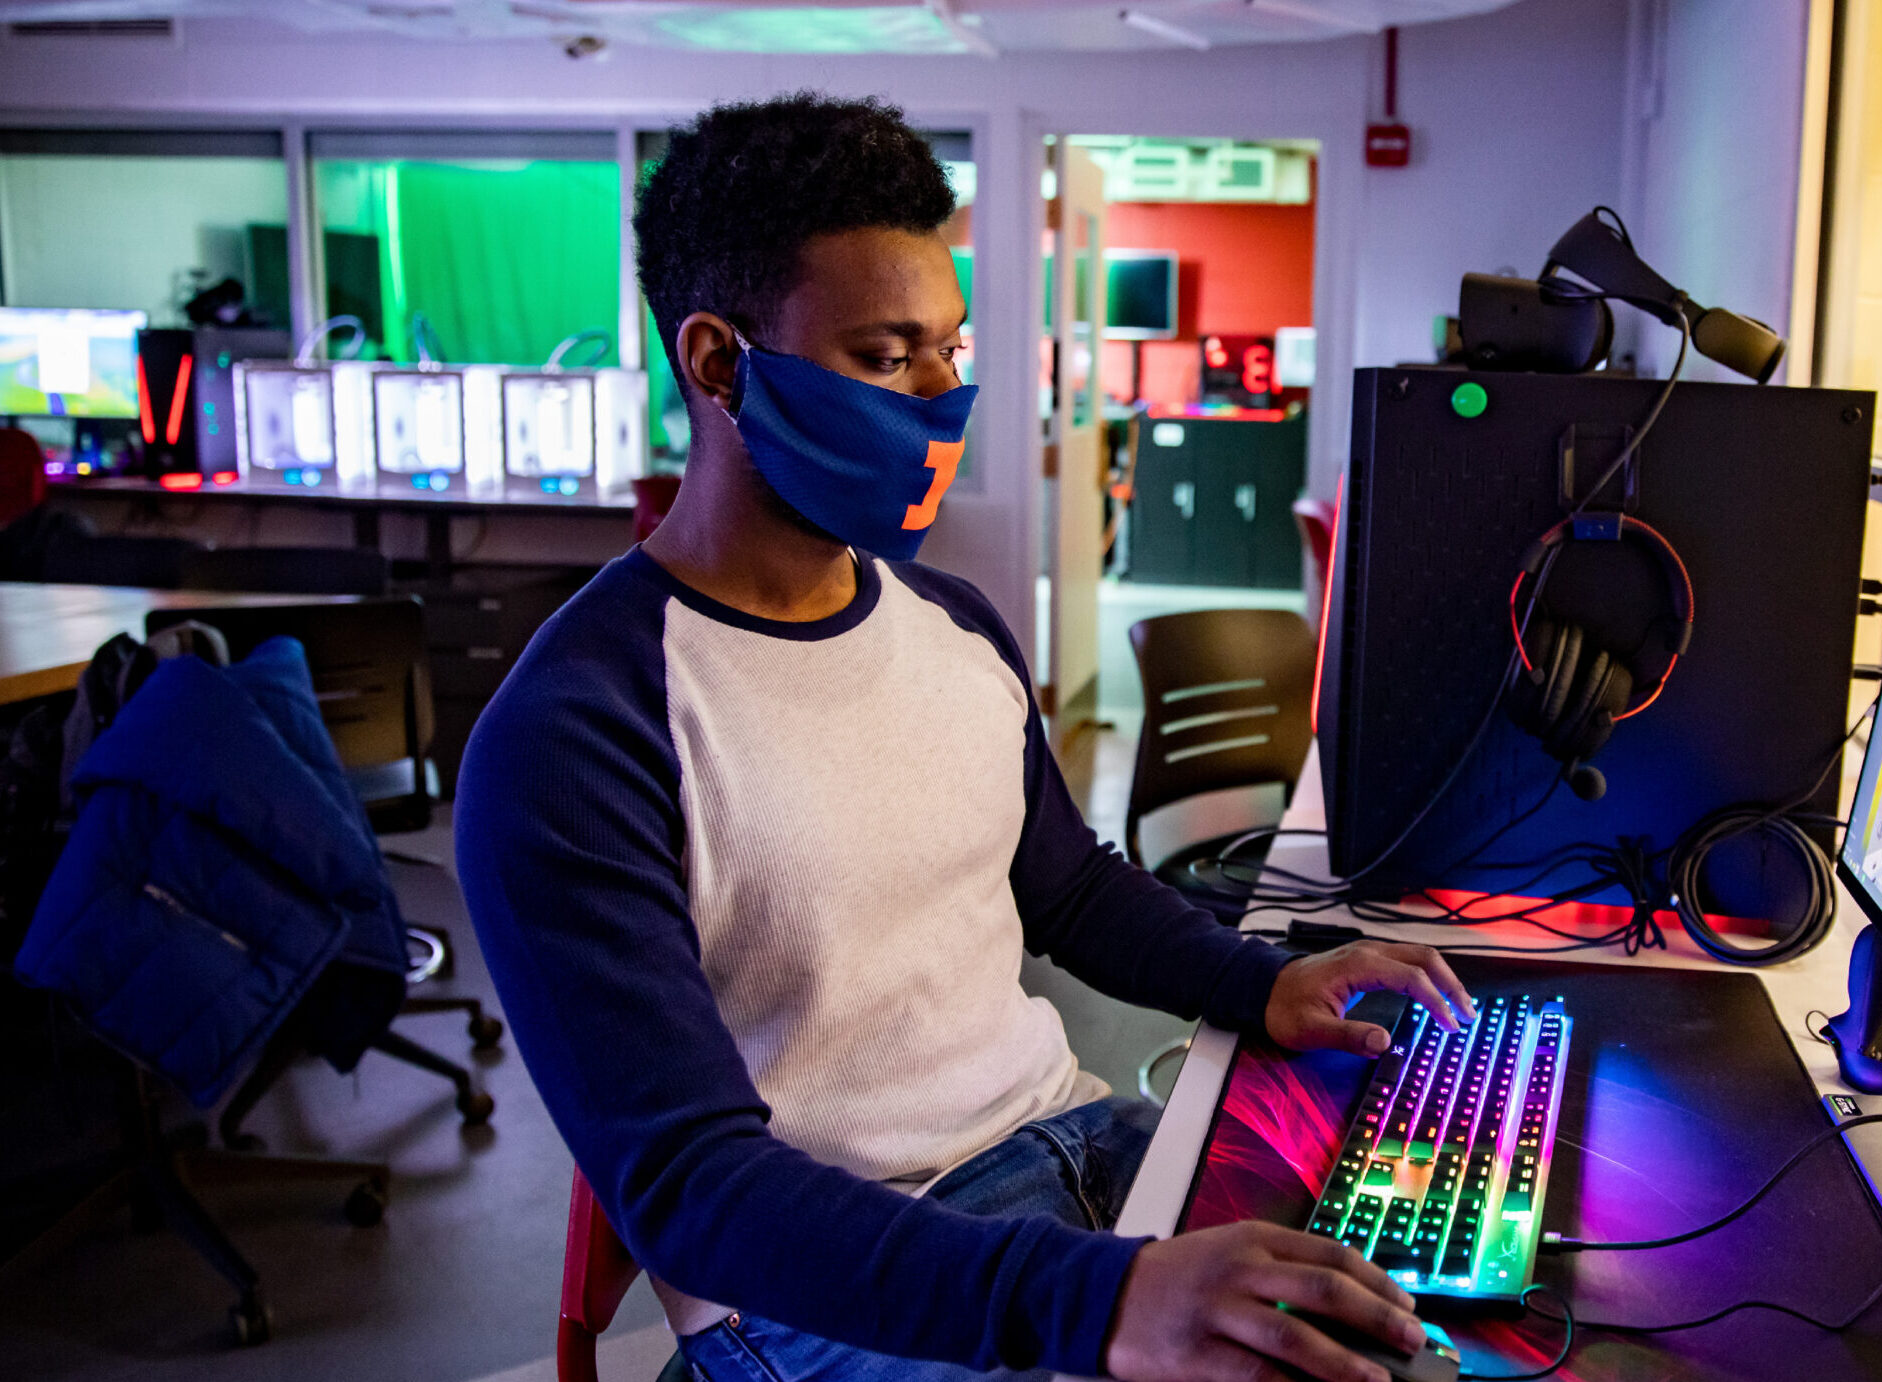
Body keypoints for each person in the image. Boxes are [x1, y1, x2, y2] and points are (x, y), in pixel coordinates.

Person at [457, 93, 1475, 1382]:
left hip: (1067, 1146)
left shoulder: (951, 622)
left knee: (1440, 1312)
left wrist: (1257, 983)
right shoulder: (578, 734)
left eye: (950, 348)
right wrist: (1098, 1305)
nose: (946, 397)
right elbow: (692, 1187)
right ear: (720, 364)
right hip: (820, 1287)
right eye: (888, 358)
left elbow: (1065, 887)